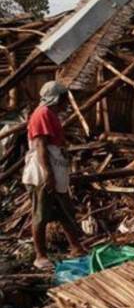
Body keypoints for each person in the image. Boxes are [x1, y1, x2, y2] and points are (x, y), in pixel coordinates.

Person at [22, 81, 84, 269]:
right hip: (42, 173)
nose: (67, 102)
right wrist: (48, 173)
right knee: (40, 214)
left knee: (64, 211)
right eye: (64, 98)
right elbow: (41, 145)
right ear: (57, 98)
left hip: (54, 172)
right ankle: (40, 256)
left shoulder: (51, 115)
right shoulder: (42, 114)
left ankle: (76, 247)